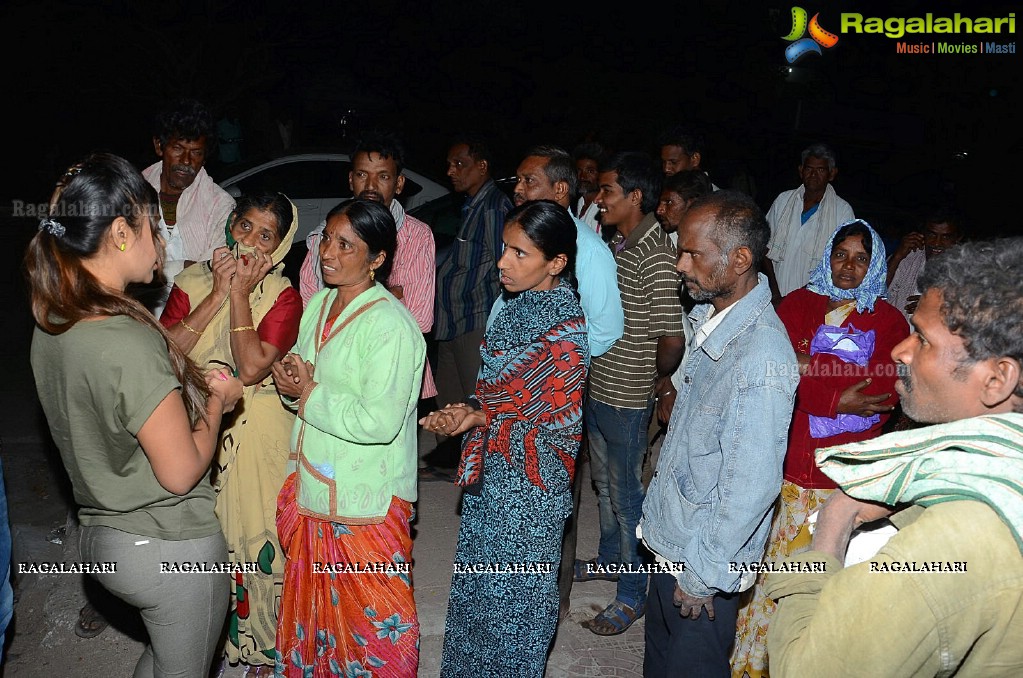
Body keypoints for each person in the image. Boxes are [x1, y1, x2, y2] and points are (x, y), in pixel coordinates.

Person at [26, 153, 243, 677]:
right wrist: (217, 402)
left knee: (167, 659)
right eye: (154, 228)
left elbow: (146, 360)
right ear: (122, 233)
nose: (163, 243)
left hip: (102, 537)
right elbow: (181, 470)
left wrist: (214, 298)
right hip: (170, 547)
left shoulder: (56, 318)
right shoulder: (124, 337)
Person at [766, 238, 1023, 676]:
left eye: (922, 339)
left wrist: (831, 528)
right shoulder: (982, 467)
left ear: (997, 379)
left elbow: (808, 668)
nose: (900, 352)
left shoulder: (956, 534)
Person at [731, 220, 909, 678]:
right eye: (841, 255)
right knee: (769, 581)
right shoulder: (796, 304)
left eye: (860, 258)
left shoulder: (888, 321)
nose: (848, 267)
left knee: (820, 586)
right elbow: (766, 371)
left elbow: (882, 395)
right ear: (828, 256)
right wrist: (835, 392)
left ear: (875, 266)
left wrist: (806, 364)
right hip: (786, 467)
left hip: (844, 479)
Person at [422, 200, 589, 675]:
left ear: (556, 264)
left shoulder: (565, 333)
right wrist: (469, 412)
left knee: (515, 608)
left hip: (531, 496)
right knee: (478, 598)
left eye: (520, 253)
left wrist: (480, 420)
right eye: (504, 249)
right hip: (492, 481)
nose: (503, 262)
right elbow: (499, 396)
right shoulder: (515, 308)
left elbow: (558, 431)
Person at [640, 191, 798, 678]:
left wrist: (704, 575)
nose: (680, 264)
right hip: (674, 547)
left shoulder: (760, 357)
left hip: (700, 569)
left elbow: (750, 487)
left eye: (693, 254)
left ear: (740, 260)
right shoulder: (712, 318)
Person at [270, 199, 425, 677]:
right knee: (316, 620)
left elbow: (379, 423)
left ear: (377, 259)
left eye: (345, 245)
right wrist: (290, 374)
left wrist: (309, 391)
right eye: (326, 242)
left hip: (367, 497)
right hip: (317, 478)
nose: (328, 254)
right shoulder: (318, 302)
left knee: (377, 626)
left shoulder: (391, 326)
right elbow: (302, 367)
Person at [159, 192, 301, 675]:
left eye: (267, 236)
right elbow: (163, 354)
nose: (250, 243)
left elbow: (252, 365)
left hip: (257, 432)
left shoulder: (283, 294)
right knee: (205, 540)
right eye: (244, 227)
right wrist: (218, 293)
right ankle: (210, 639)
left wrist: (240, 294)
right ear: (229, 226)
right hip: (191, 424)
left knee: (258, 538)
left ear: (281, 247)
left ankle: (263, 646)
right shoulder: (193, 281)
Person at [502, 145, 625, 622]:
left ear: (560, 190)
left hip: (548, 399)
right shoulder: (521, 241)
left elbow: (606, 326)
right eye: (517, 180)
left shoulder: (586, 250)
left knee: (550, 499)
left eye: (528, 182)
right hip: (511, 395)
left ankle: (548, 604)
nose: (518, 189)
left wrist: (551, 368)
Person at [577, 152, 685, 636]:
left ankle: (631, 593)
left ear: (635, 197)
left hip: (626, 395)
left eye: (608, 192)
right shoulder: (622, 243)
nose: (599, 200)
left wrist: (654, 380)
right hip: (601, 385)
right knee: (604, 487)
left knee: (625, 494)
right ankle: (607, 561)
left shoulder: (656, 254)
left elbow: (671, 337)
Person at [296, 131, 438, 477]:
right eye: (362, 174)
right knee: (324, 470)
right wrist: (393, 295)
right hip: (329, 376)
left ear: (399, 183)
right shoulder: (320, 236)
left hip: (389, 373)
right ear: (350, 179)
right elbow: (313, 313)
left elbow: (418, 319)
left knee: (382, 469)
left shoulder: (417, 236)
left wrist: (352, 301)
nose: (371, 184)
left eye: (383, 176)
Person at [432, 135, 513, 455]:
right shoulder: (472, 204)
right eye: (449, 164)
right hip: (453, 319)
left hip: (476, 318)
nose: (451, 171)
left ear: (482, 167)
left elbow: (502, 268)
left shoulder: (494, 207)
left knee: (479, 399)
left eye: (460, 164)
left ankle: (487, 465)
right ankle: (453, 461)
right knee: (450, 396)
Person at [141, 98, 236, 316]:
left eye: (196, 152)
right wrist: (185, 266)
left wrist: (148, 271)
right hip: (138, 319)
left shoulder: (220, 205)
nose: (186, 160)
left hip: (194, 321)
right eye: (178, 148)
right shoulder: (133, 192)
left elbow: (211, 273)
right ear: (159, 146)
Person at [764, 143, 855, 300]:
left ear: (831, 174)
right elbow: (764, 248)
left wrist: (796, 299)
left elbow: (839, 264)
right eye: (809, 169)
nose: (813, 175)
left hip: (813, 300)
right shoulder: (784, 200)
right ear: (801, 171)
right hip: (773, 296)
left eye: (820, 170)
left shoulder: (842, 211)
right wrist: (775, 293)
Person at [886, 206, 963, 319]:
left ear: (958, 238)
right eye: (932, 235)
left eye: (945, 237)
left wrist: (934, 307)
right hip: (896, 332)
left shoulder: (965, 269)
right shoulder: (909, 256)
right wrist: (897, 256)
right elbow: (877, 290)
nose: (937, 243)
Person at [655, 169, 714, 249]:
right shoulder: (663, 238)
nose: (659, 210)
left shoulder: (715, 242)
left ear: (693, 204)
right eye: (660, 203)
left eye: (668, 202)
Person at [573, 142, 606, 233]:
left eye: (590, 171)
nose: (582, 176)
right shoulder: (580, 202)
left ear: (601, 174)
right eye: (579, 170)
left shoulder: (604, 208)